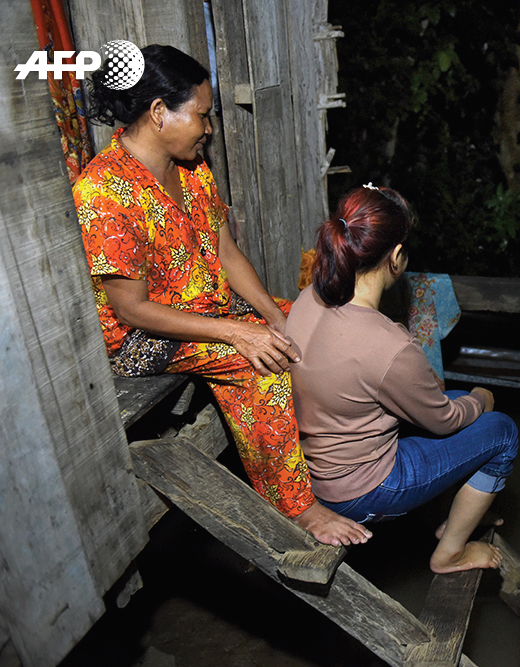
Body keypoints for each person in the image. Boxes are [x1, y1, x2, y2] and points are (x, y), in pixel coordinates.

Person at [73, 44, 370, 547]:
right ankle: (296, 508)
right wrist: (237, 332)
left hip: (207, 309)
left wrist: (274, 315)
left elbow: (226, 253)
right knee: (260, 361)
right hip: (139, 339)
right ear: (159, 112)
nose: (208, 128)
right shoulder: (104, 190)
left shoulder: (191, 170)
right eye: (202, 115)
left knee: (311, 321)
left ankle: (338, 455)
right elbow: (130, 309)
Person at [286, 185, 519, 573]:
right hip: (365, 491)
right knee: (502, 430)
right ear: (395, 257)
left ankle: (460, 508)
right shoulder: (388, 344)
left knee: (454, 398)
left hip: (320, 469)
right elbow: (443, 421)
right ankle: (450, 552)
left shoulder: (310, 297)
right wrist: (482, 397)